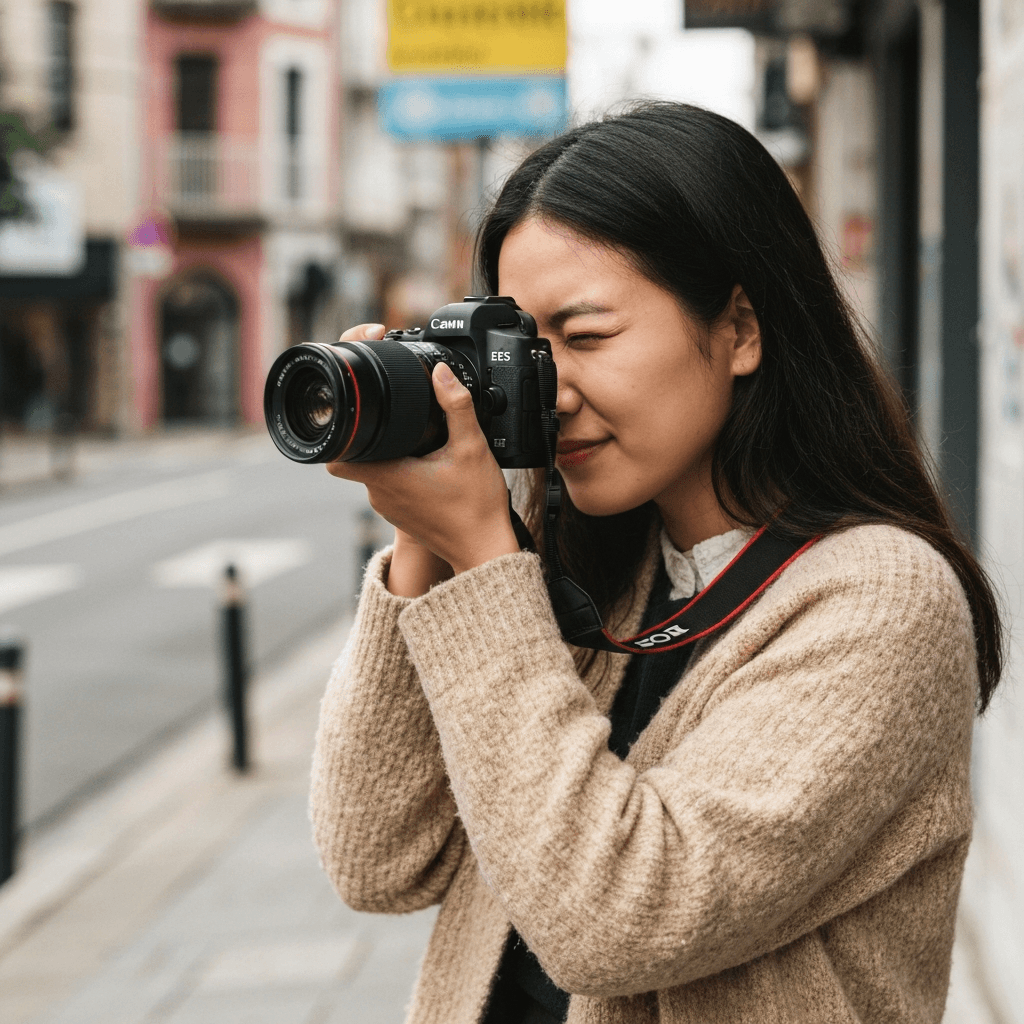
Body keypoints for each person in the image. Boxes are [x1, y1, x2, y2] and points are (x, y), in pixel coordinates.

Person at [309, 103, 1003, 1024]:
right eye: (526, 348)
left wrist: (482, 562)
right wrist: (424, 541)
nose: (549, 392)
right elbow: (380, 857)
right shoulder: (596, 572)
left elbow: (615, 922)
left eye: (589, 336)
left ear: (742, 330)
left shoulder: (882, 603)